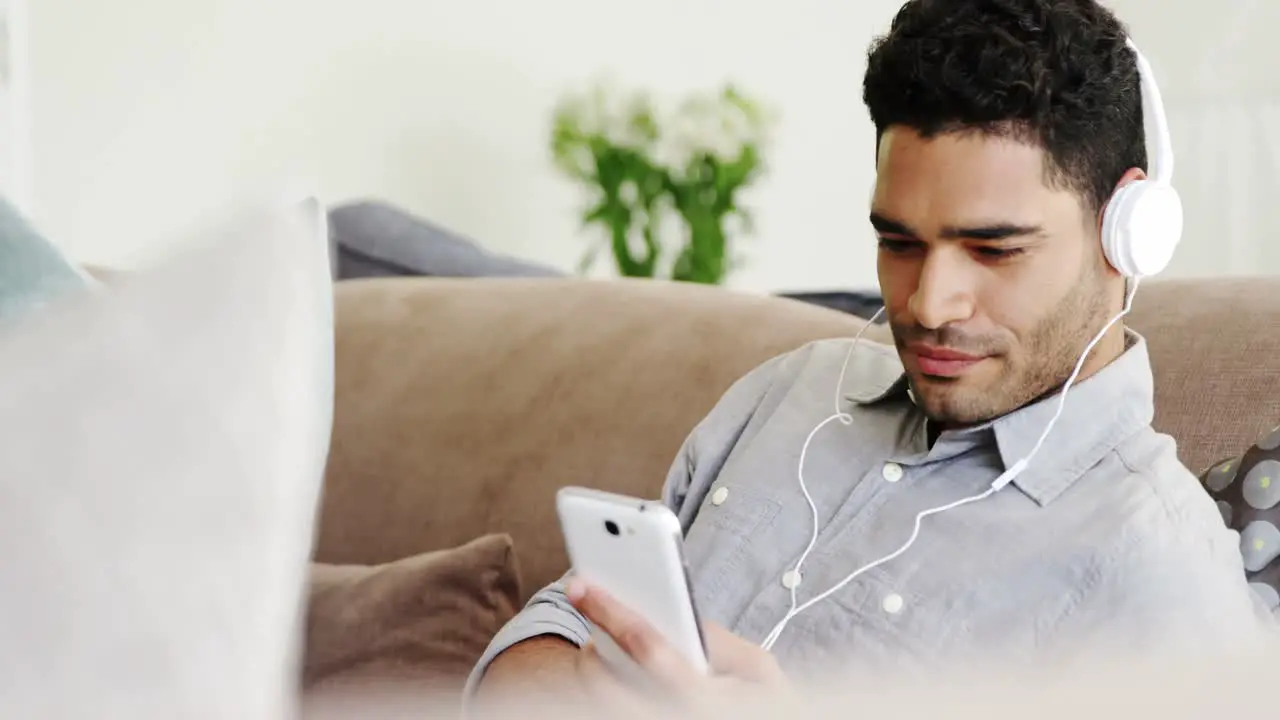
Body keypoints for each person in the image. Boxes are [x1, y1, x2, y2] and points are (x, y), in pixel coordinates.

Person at [465, 0, 1275, 709]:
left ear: (1127, 233)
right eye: (899, 242)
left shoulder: (1158, 571)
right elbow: (540, 641)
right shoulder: (790, 391)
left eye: (993, 251)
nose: (926, 304)